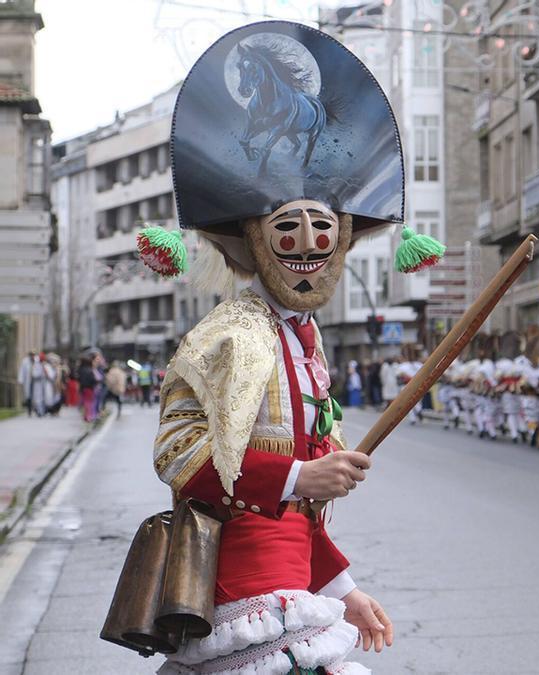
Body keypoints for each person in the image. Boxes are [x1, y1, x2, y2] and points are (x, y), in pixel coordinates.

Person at [138, 20, 424, 673]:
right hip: (240, 598)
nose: (307, 247)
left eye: (324, 230)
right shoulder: (224, 335)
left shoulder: (308, 341)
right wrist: (299, 474)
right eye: (286, 231)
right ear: (252, 240)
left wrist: (344, 591)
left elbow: (306, 517)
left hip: (297, 595)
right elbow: (179, 457)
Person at [76, 356, 97, 423]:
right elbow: (93, 380)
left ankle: (86, 415)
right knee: (89, 402)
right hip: (89, 388)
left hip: (83, 388)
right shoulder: (90, 370)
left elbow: (78, 378)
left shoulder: (81, 370)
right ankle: (89, 416)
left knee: (85, 402)